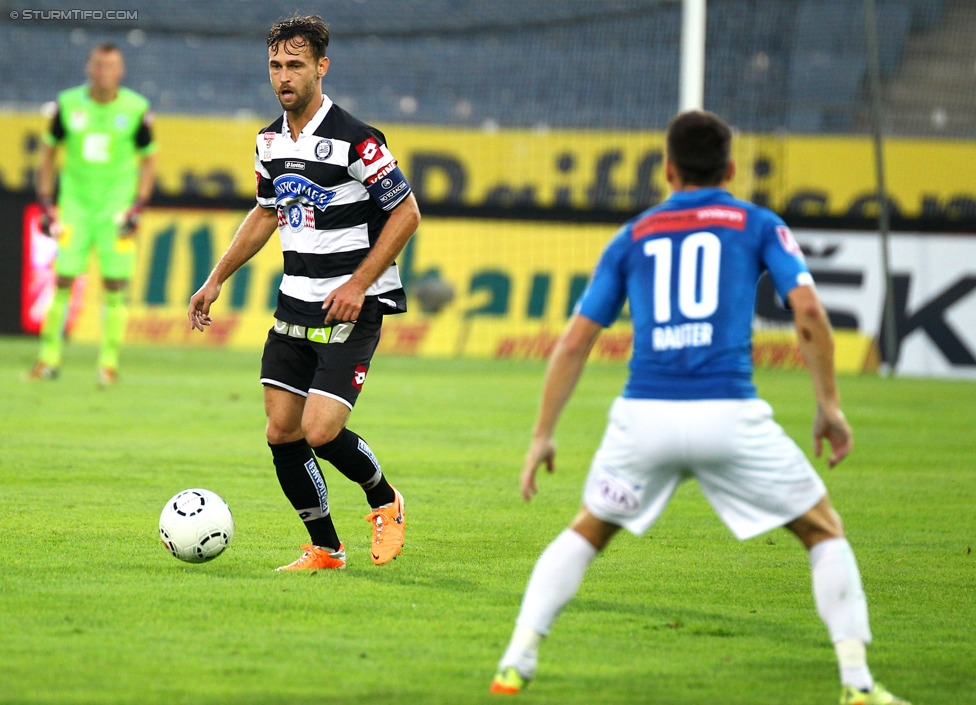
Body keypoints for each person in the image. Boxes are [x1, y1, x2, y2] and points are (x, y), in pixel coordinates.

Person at [490, 111, 909, 705]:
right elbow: (810, 314)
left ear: (668, 169)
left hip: (645, 420)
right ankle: (858, 684)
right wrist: (829, 406)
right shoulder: (756, 222)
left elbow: (576, 340)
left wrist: (542, 435)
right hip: (729, 416)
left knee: (585, 533)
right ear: (731, 169)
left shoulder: (633, 234)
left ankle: (515, 662)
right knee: (822, 530)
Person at [188, 15, 420, 571]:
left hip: (352, 306)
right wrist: (216, 278)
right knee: (282, 431)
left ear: (322, 66)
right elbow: (267, 213)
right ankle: (326, 549)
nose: (283, 76)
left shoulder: (358, 140)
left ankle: (386, 500)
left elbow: (406, 213)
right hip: (295, 301)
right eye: (275, 65)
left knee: (320, 430)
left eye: (295, 64)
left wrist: (359, 283)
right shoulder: (268, 141)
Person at [30, 43, 156, 386]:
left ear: (121, 70)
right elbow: (47, 155)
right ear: (89, 68)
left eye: (111, 66)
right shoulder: (68, 105)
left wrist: (137, 206)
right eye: (99, 65)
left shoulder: (135, 109)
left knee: (114, 284)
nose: (104, 72)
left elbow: (149, 162)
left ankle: (109, 364)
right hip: (74, 208)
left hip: (115, 211)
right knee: (63, 280)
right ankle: (49, 359)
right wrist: (46, 201)